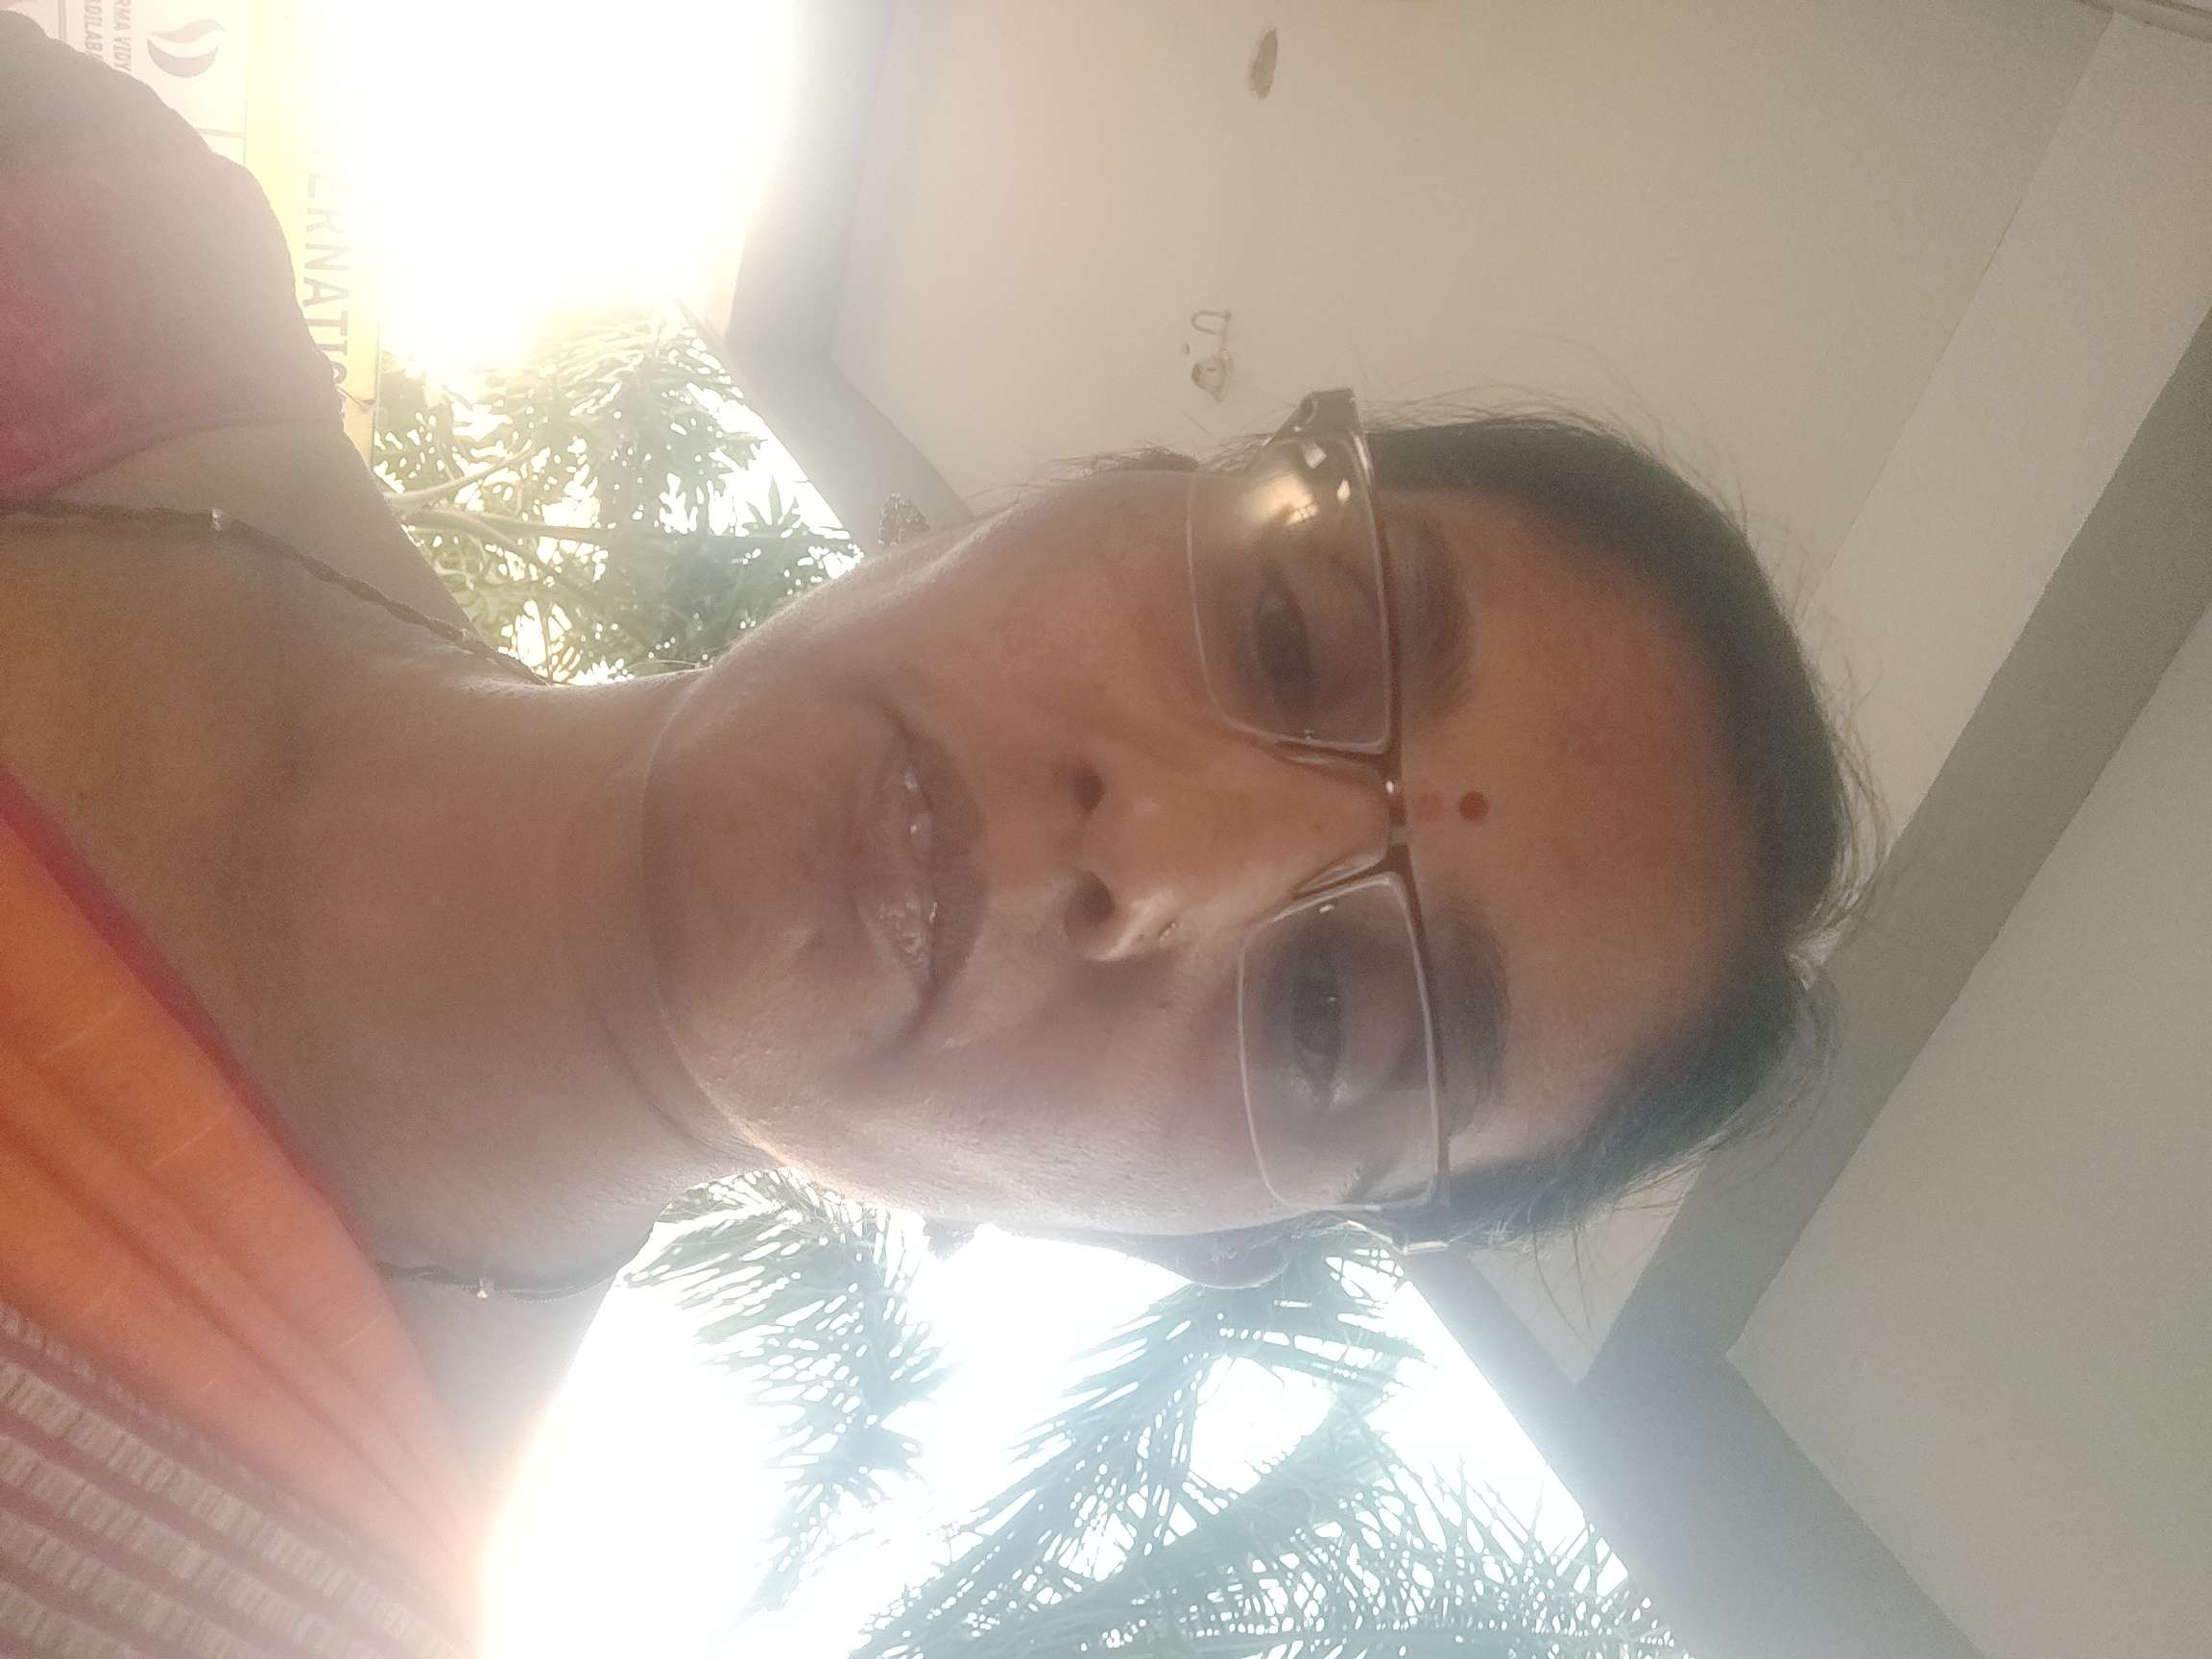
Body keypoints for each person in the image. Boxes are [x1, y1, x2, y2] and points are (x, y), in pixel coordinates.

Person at [0, 15, 1861, 1656]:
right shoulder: (80, 219)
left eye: (1331, 1019)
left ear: (1187, 1240)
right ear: (1103, 490)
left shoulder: (216, 1603)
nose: (1162, 854)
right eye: (1292, 634)